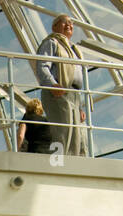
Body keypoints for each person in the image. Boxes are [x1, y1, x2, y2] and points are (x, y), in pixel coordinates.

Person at [35, 14, 86, 157]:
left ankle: (73, 165)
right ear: (54, 27)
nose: (68, 25)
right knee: (62, 132)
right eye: (64, 22)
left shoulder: (74, 50)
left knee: (76, 135)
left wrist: (80, 106)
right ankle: (58, 165)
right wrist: (52, 84)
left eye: (71, 23)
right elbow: (42, 65)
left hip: (74, 93)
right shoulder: (51, 43)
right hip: (59, 91)